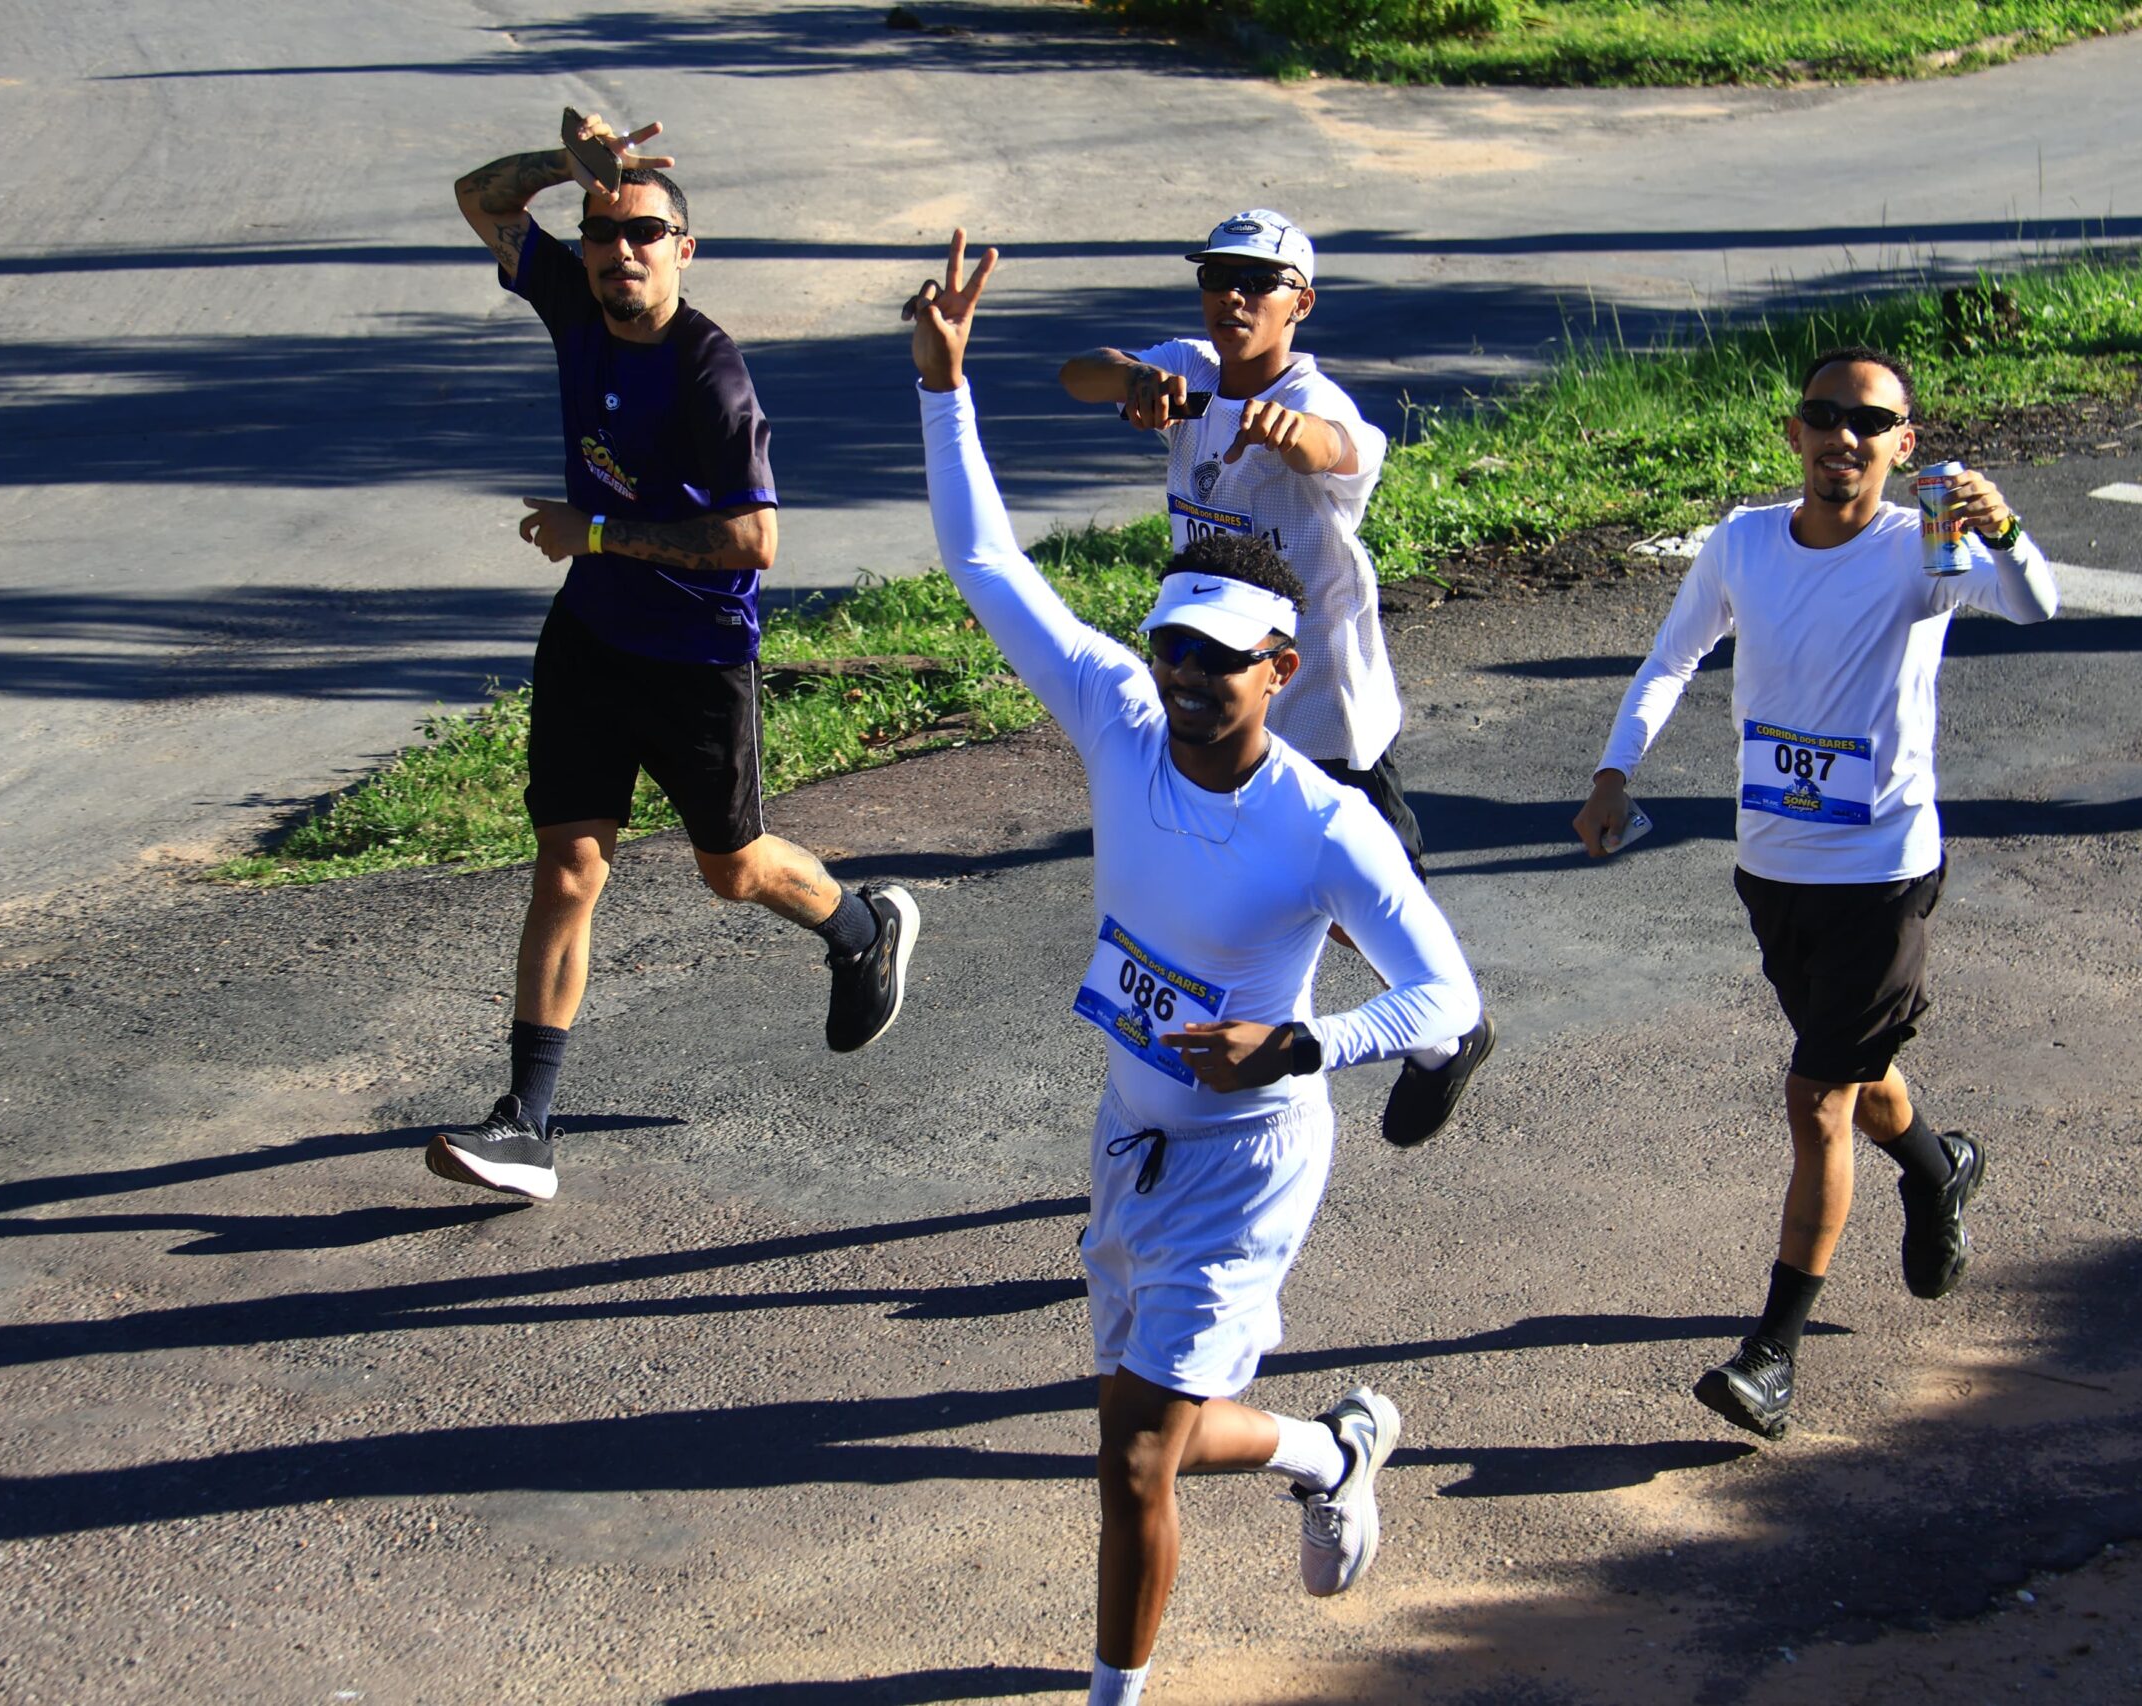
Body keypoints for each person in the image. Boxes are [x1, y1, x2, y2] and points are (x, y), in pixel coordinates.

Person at [910, 233, 1482, 1706]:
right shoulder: (1116, 711)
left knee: (1130, 1455)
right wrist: (944, 387)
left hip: (1248, 1156)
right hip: (1130, 1134)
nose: (1182, 673)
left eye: (1217, 657)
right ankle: (1330, 1448)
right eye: (1171, 642)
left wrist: (1303, 1044)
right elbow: (985, 562)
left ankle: (1116, 1693)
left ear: (1281, 666)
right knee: (1154, 1425)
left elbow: (1451, 997)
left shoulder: (1327, 825)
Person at [429, 112, 919, 1202]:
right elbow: (479, 199)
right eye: (602, 231)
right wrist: (570, 164)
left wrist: (597, 532)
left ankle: (861, 927)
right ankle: (526, 1123)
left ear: (682, 249)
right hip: (592, 638)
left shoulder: (711, 374)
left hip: (695, 658)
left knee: (731, 869)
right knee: (569, 867)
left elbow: (754, 541)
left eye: (644, 233)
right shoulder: (576, 303)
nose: (621, 251)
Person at [1572, 346, 2059, 1439]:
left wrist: (2005, 528)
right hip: (1773, 864)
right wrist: (1612, 774)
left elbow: (2035, 606)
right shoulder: (1744, 542)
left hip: (1883, 873)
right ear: (1794, 432)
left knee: (1818, 1098)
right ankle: (1938, 1167)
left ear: (1903, 444)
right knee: (1855, 1076)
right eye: (1825, 414)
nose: (1845, 435)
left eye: (1871, 422)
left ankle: (1771, 1357)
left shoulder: (1927, 545)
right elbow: (1670, 660)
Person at [1058, 210, 1494, 1150]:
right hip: (1221, 701)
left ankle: (1448, 1032)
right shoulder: (1190, 368)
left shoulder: (1313, 398)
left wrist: (1299, 437)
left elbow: (1346, 446)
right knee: (1229, 887)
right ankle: (1190, 1090)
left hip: (1320, 705)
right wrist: (1132, 381)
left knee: (1368, 904)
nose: (1234, 296)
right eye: (1218, 278)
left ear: (1302, 302)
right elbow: (1076, 372)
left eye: (1259, 282)